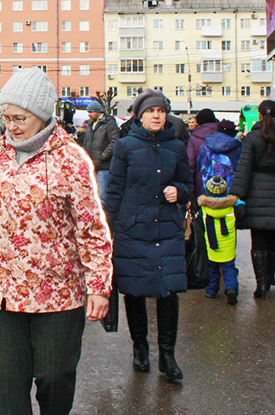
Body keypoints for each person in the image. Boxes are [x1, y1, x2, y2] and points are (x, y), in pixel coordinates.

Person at [0, 67, 112, 414]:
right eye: (5, 117)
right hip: (1, 292)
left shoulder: (71, 159)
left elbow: (91, 228)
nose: (11, 125)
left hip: (57, 295)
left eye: (20, 118)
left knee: (54, 377)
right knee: (8, 391)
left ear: (43, 116)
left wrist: (99, 286)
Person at [106, 88, 192, 383]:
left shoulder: (177, 147)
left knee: (168, 291)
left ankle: (167, 355)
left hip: (166, 228)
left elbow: (189, 183)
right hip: (133, 228)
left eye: (161, 111)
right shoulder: (125, 146)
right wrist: (110, 228)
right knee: (135, 290)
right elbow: (114, 189)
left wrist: (179, 191)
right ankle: (140, 347)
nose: (157, 115)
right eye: (151, 111)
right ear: (140, 116)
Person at [228, 100, 275, 299]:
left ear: (260, 114)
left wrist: (236, 195)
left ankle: (262, 285)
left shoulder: (253, 137)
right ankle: (271, 277)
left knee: (259, 242)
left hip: (257, 193)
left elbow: (244, 168)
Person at [198, 176, 239, 304]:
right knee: (229, 269)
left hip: (211, 245)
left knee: (212, 270)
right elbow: (242, 216)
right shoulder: (232, 208)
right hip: (228, 245)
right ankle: (231, 288)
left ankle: (211, 291)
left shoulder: (203, 208)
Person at [78, 100, 120, 201]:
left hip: (103, 166)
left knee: (102, 195)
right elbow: (86, 141)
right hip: (91, 164)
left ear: (98, 112)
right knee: (91, 194)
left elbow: (114, 141)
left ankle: (104, 216)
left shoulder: (109, 123)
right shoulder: (89, 124)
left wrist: (103, 156)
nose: (89, 114)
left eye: (91, 112)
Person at [187, 108, 219, 198]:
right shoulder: (224, 133)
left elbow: (190, 163)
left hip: (201, 181)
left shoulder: (194, 137)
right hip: (225, 180)